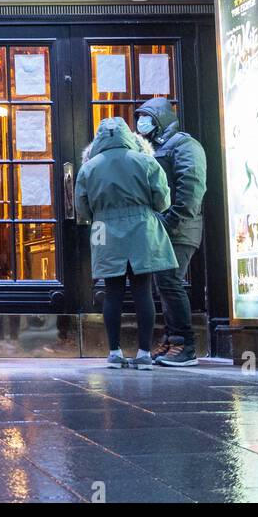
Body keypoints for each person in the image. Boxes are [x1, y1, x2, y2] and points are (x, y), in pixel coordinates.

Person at [74, 117, 177, 371]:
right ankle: (143, 353)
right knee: (143, 291)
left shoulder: (89, 168)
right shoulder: (144, 160)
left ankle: (114, 351)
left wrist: (99, 216)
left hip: (104, 230)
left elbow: (81, 207)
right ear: (127, 136)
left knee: (113, 292)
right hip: (142, 228)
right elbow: (162, 199)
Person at [134, 97, 207, 367]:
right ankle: (172, 340)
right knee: (163, 283)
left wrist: (173, 220)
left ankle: (184, 344)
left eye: (147, 117)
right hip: (165, 228)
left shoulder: (185, 145)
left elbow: (191, 185)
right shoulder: (157, 147)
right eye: (140, 117)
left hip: (178, 228)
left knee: (169, 281)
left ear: (160, 119)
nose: (142, 122)